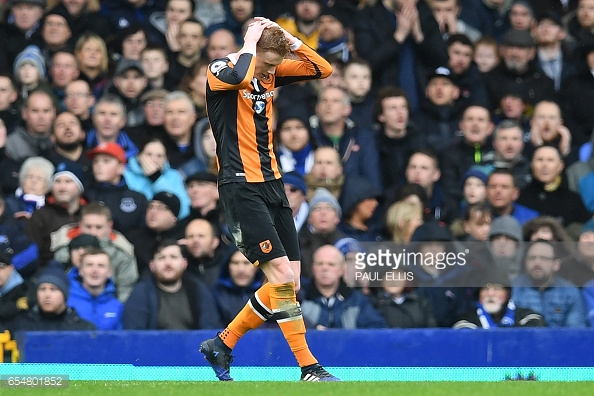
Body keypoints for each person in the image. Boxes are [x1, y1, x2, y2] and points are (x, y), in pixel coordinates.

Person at [200, 17, 338, 382]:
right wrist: (249, 42)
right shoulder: (223, 68)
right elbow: (239, 77)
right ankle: (309, 367)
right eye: (267, 62)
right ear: (253, 48)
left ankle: (222, 344)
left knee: (289, 282)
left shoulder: (268, 71)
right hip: (240, 185)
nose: (272, 71)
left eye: (275, 65)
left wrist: (291, 41)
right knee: (278, 276)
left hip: (273, 184)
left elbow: (322, 69)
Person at [122, 240, 222, 330]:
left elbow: (210, 330)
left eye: (173, 257)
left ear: (184, 263)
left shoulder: (198, 290)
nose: (168, 263)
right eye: (162, 258)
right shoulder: (140, 294)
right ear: (152, 266)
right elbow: (134, 335)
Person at [301, 244, 387, 329]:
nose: (325, 268)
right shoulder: (300, 298)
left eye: (331, 264)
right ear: (313, 268)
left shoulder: (357, 300)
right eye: (320, 264)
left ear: (341, 270)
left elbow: (377, 329)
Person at [512, 239, 588, 328]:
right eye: (532, 258)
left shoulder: (571, 292)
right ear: (525, 262)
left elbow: (575, 333)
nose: (537, 263)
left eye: (544, 258)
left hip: (560, 341)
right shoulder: (512, 289)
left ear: (556, 265)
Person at [6, 267, 96, 332]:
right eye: (42, 289)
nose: (47, 295)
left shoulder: (83, 328)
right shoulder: (21, 325)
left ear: (64, 294)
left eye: (53, 289)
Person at [453, 272, 546, 329]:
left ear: (507, 294)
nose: (490, 293)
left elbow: (537, 328)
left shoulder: (524, 315)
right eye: (485, 288)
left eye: (497, 288)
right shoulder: (467, 319)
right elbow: (463, 338)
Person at [66, 248, 123, 330]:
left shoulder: (118, 307)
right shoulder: (65, 303)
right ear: (80, 271)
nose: (95, 270)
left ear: (109, 272)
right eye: (89, 265)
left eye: (101, 266)